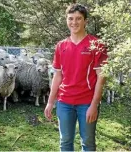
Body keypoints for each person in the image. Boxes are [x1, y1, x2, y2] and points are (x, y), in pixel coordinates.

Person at [44, 3, 108, 151]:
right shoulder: (61, 46)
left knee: (88, 143)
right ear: (66, 20)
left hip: (87, 103)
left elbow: (101, 77)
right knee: (65, 141)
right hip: (64, 102)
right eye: (71, 18)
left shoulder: (96, 45)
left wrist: (94, 105)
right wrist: (50, 102)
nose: (74, 22)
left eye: (78, 18)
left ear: (85, 21)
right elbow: (57, 76)